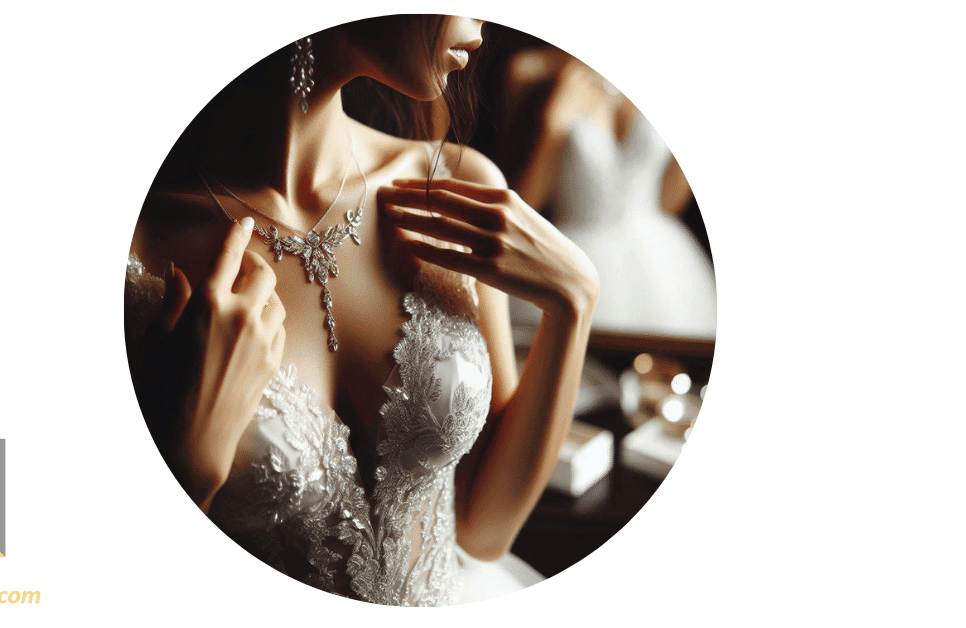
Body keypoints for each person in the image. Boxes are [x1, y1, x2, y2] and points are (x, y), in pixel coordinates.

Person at [125, 16, 599, 606]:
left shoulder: (454, 184)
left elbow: (484, 531)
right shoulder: (138, 253)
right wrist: (187, 472)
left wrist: (573, 303)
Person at [496, 46, 716, 339]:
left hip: (664, 262)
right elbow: (523, 206)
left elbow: (667, 203)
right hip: (575, 251)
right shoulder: (531, 72)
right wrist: (553, 128)